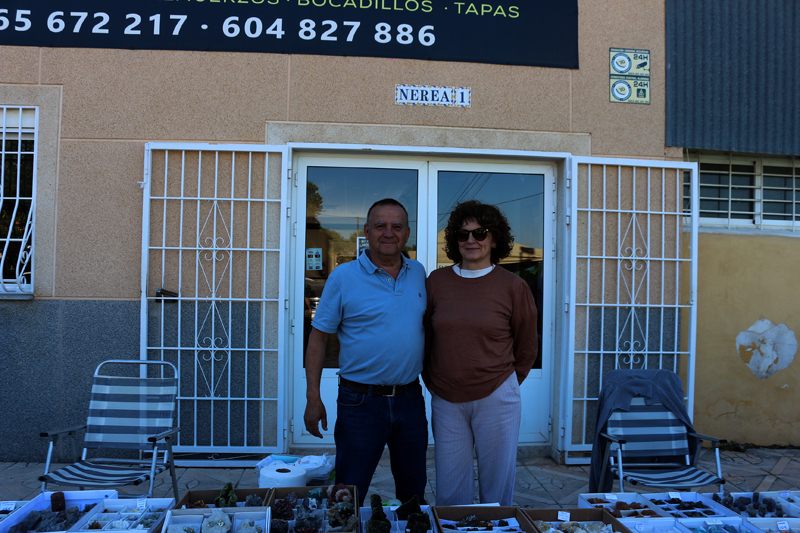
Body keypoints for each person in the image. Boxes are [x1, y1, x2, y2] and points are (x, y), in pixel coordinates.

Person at [303, 198, 428, 506]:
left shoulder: (418, 272)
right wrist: (313, 397)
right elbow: (318, 339)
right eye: (380, 226)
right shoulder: (343, 277)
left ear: (407, 233)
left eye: (397, 226)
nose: (389, 233)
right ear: (367, 231)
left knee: (413, 493)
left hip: (410, 400)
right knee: (349, 493)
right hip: (360, 403)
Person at [423, 199, 538, 506]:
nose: (471, 240)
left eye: (480, 233)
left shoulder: (513, 286)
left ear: (495, 239)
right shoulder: (437, 282)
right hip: (446, 398)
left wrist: (507, 382)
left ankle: (497, 527)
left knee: (497, 490)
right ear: (455, 240)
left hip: (497, 395)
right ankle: (453, 527)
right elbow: (426, 336)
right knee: (450, 491)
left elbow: (527, 344)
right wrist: (432, 381)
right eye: (463, 234)